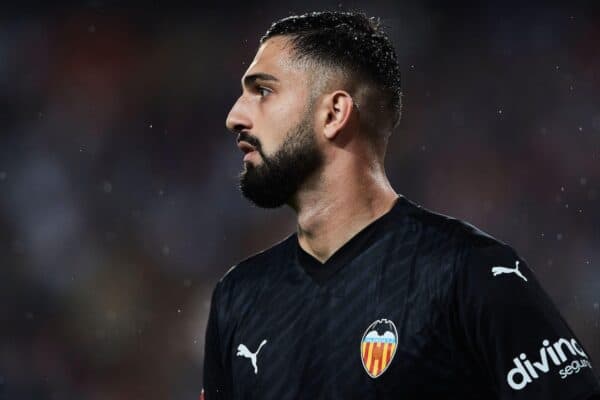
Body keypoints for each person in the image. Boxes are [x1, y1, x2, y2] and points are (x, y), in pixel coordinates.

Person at [202, 10, 600, 399]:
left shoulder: (468, 273)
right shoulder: (238, 297)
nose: (235, 116)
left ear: (334, 113)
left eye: (263, 91)